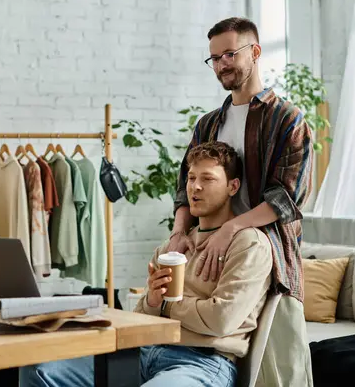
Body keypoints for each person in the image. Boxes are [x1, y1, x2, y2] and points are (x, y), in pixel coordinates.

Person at [20, 141, 272, 387]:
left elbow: (221, 320)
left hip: (202, 362)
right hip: (143, 353)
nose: (195, 187)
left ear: (233, 186)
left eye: (207, 179)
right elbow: (141, 318)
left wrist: (165, 304)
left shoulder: (248, 244)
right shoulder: (172, 248)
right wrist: (152, 300)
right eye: (191, 178)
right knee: (39, 370)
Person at [167, 17, 314, 387]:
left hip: (269, 256)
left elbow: (288, 197)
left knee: (279, 371)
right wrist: (178, 232)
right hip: (211, 248)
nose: (222, 65)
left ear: (256, 52)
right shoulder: (207, 124)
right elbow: (184, 187)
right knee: (216, 347)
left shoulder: (288, 119)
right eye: (214, 58)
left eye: (230, 54)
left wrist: (232, 227)